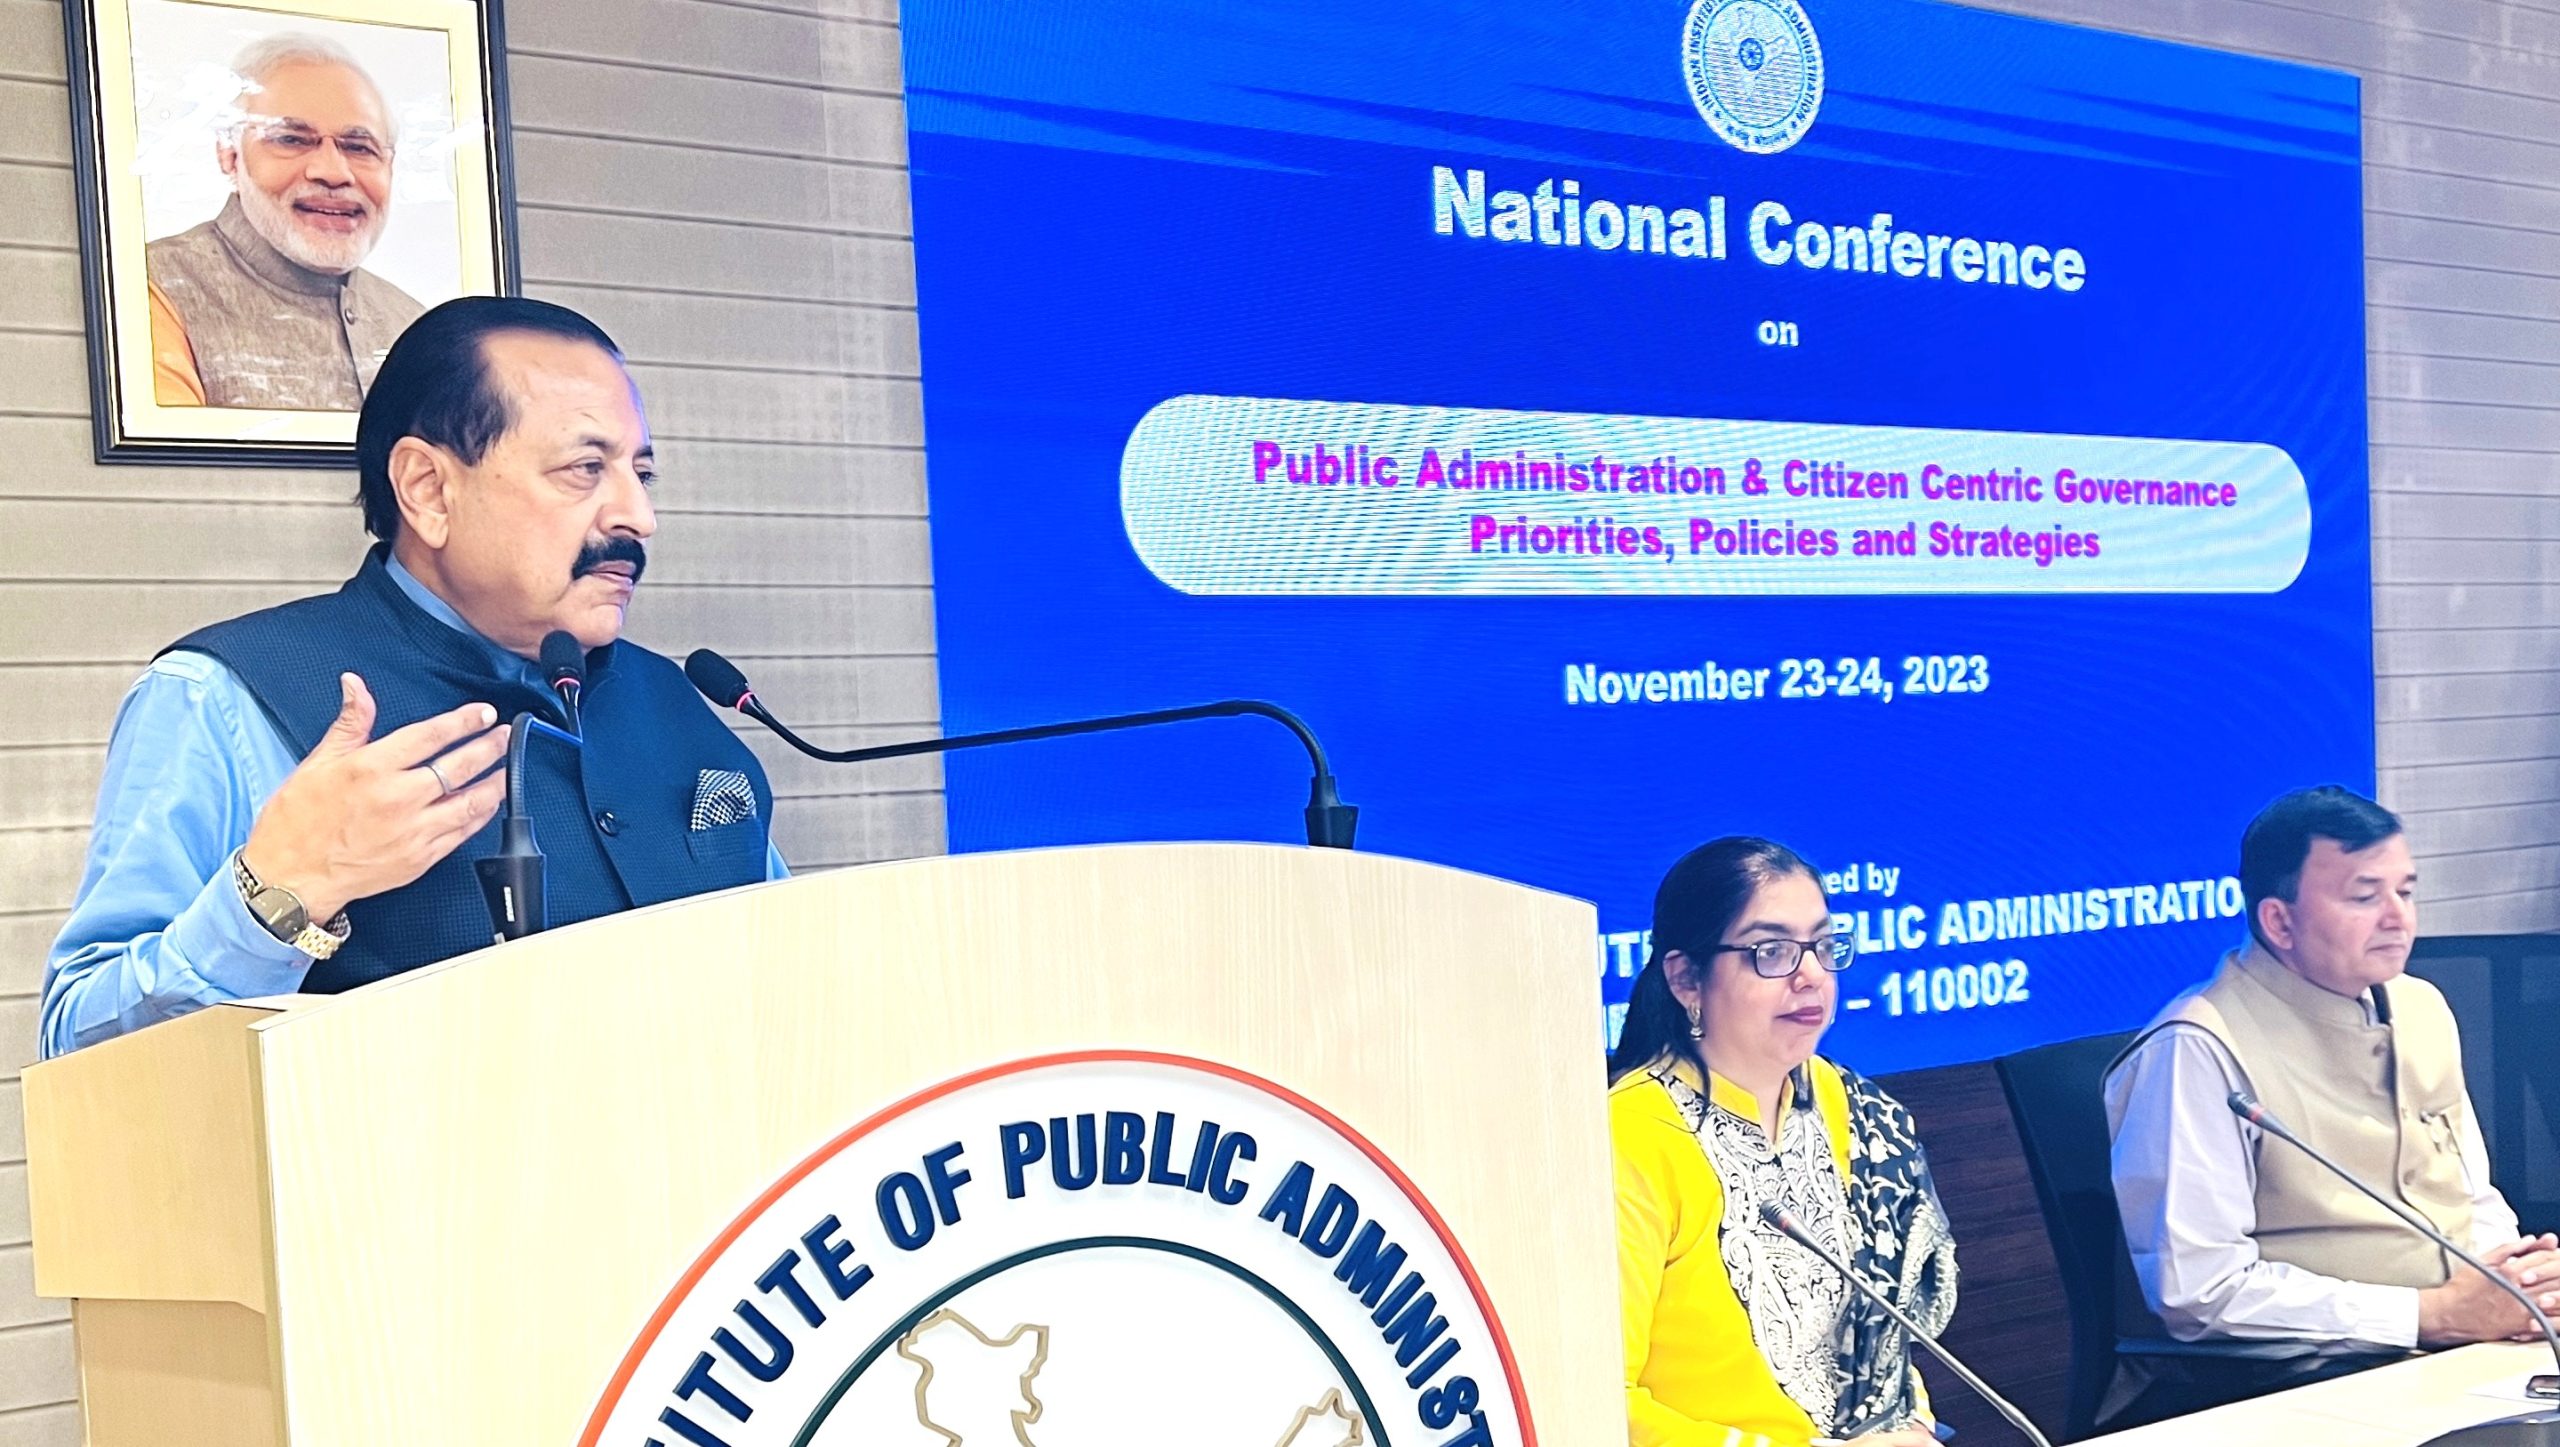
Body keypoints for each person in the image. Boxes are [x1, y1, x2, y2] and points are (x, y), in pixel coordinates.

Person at [42, 296, 784, 1058]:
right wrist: (282, 894)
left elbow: (792, 983)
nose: (638, 515)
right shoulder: (224, 699)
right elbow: (80, 1052)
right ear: (428, 490)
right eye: (585, 469)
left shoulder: (680, 700)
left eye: (642, 472)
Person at [2103, 785, 2560, 1424]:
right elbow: (2200, 1291)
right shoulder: (2197, 1048)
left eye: (2405, 891)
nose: (2397, 917)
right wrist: (2430, 1314)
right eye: (2364, 897)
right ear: (2278, 922)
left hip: (2453, 1351)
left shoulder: (2422, 1005)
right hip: (2295, 1379)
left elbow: (2468, 1197)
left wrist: (2519, 1284)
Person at [1612, 836, 1955, 1447]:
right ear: (1686, 978)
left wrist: (1912, 1424)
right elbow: (1599, 1404)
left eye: (1823, 947)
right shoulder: (1631, 1135)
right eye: (1771, 952)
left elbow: (1880, 1340)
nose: (1811, 977)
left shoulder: (1846, 1102)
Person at [145, 33, 426, 409]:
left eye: (359, 147)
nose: (333, 172)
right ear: (230, 156)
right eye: (292, 140)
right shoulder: (153, 288)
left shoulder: (418, 327)